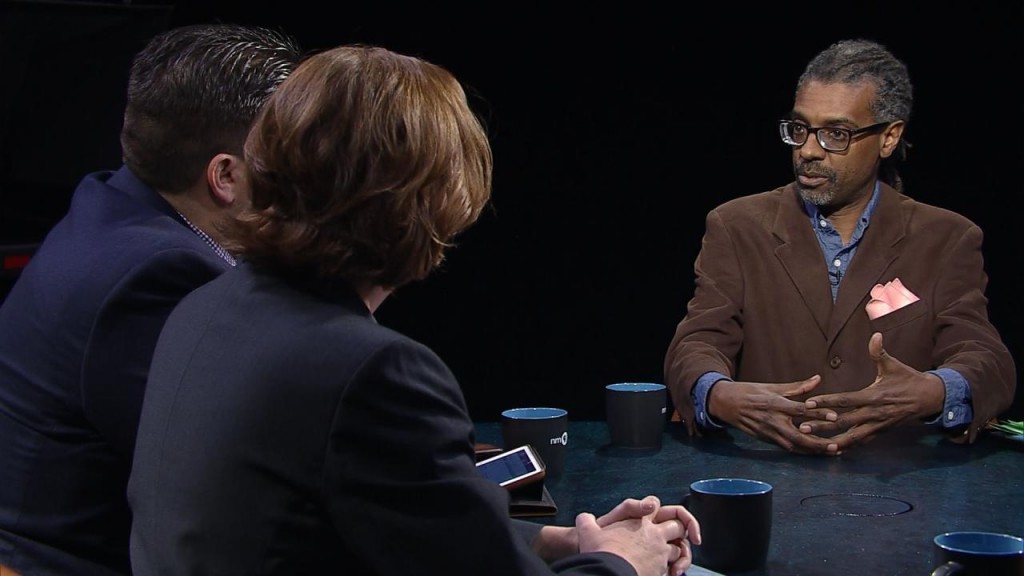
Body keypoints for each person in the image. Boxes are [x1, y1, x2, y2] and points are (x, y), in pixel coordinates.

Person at [127, 44, 701, 576]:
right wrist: (625, 562)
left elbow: (379, 534)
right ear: (430, 205)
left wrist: (564, 544)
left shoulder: (203, 308)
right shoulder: (373, 372)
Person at [0, 24, 302, 576]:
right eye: (291, 154)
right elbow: (237, 477)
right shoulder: (162, 276)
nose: (307, 175)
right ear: (226, 176)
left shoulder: (110, 203)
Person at [663, 39, 1016, 456]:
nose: (809, 151)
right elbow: (697, 342)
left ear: (889, 138)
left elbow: (985, 358)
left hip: (898, 485)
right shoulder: (737, 226)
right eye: (799, 129)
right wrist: (717, 393)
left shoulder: (947, 238)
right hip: (767, 473)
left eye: (836, 134)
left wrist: (934, 390)